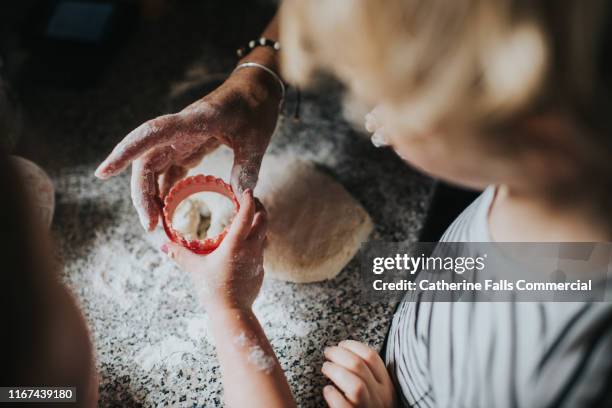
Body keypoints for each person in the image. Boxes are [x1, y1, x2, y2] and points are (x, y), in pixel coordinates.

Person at [99, 0, 612, 407]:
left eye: (379, 88)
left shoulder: (555, 376)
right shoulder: (552, 182)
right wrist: (258, 82)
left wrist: (228, 309)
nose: (367, 103)